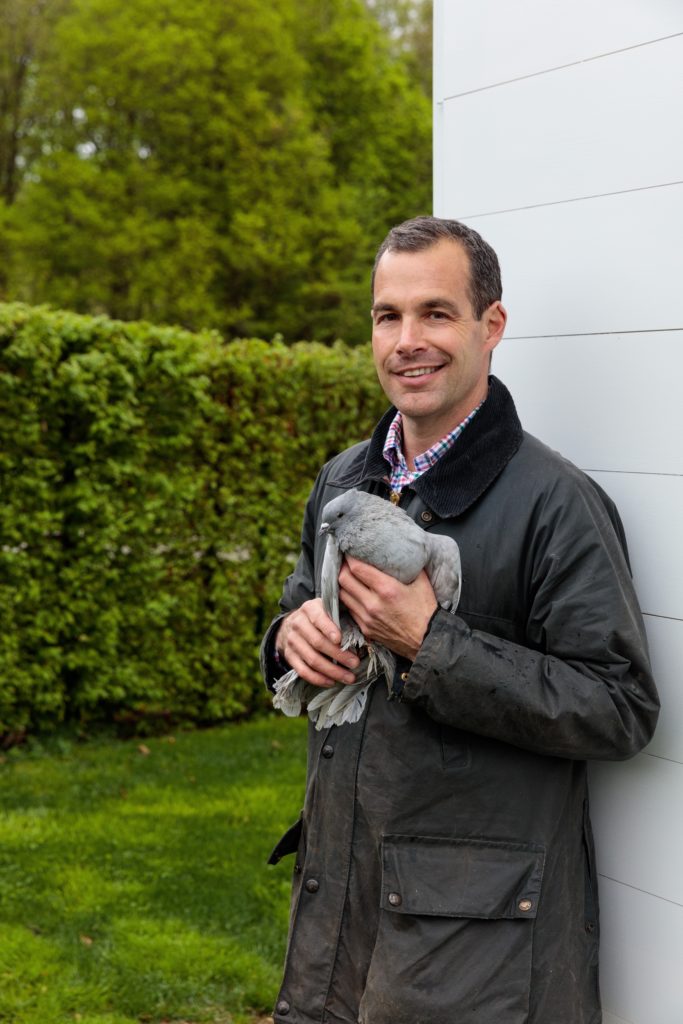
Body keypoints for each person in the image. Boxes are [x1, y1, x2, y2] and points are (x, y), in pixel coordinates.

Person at [260, 216, 659, 1024]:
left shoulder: (555, 503)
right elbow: (294, 613)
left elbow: (617, 708)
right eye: (388, 316)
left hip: (478, 965)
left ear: (491, 326)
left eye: (435, 313)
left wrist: (429, 643)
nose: (407, 340)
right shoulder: (345, 478)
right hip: (336, 926)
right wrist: (285, 642)